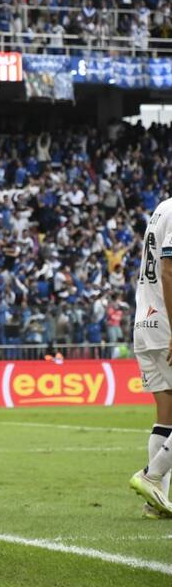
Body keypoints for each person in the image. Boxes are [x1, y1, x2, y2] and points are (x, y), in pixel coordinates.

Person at [128, 197, 172, 518]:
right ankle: (152, 475)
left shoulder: (162, 208)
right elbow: (169, 272)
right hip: (166, 324)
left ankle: (155, 502)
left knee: (166, 414)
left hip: (146, 320)